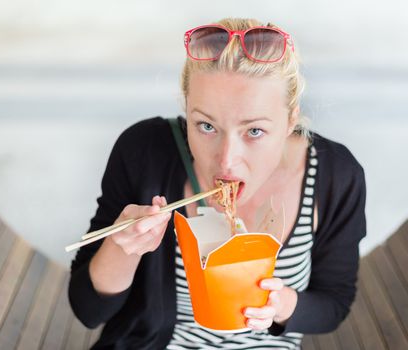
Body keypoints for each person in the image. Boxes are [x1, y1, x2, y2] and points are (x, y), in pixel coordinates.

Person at [68, 17, 367, 350]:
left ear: (290, 120)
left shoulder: (336, 176)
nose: (226, 160)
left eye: (254, 131)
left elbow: (334, 304)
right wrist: (122, 247)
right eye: (206, 126)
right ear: (186, 107)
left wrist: (281, 305)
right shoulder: (144, 151)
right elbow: (87, 311)